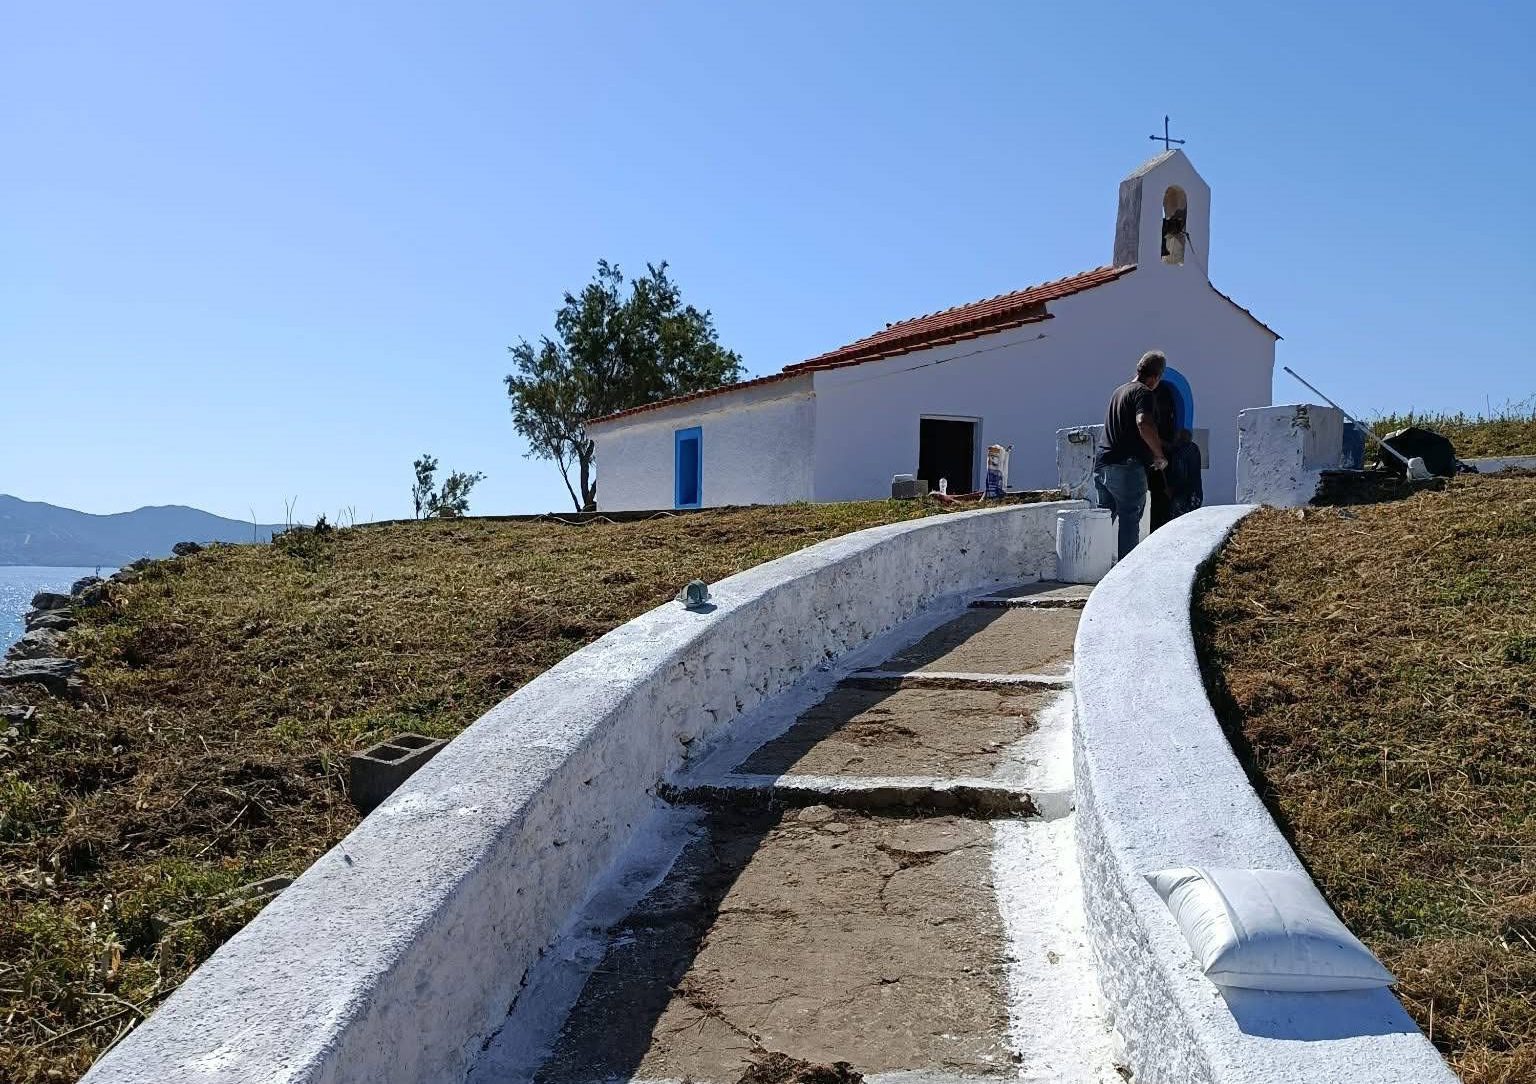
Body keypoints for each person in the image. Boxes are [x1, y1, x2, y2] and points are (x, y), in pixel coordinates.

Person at [1095, 350, 1168, 559]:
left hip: (1103, 465)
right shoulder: (1143, 392)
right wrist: (1159, 455)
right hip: (1126, 466)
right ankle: (1125, 573)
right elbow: (1143, 422)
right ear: (1155, 377)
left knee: (1103, 520)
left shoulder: (1119, 391)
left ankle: (1097, 569)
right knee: (1130, 516)